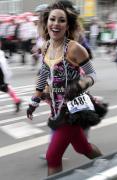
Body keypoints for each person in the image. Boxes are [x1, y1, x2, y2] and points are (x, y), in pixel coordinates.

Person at [27, 2, 102, 176]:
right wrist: (34, 101)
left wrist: (82, 84)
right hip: (56, 108)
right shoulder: (45, 46)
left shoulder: (75, 48)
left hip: (72, 109)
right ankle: (108, 165)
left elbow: (93, 74)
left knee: (52, 156)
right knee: (83, 147)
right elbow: (44, 75)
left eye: (61, 20)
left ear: (67, 26)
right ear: (47, 23)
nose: (56, 24)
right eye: (52, 19)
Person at [0, 46, 21, 112]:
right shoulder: (1, 53)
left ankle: (17, 100)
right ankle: (17, 100)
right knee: (5, 88)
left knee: (4, 87)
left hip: (2, 73)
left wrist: (2, 80)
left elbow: (2, 67)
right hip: (3, 73)